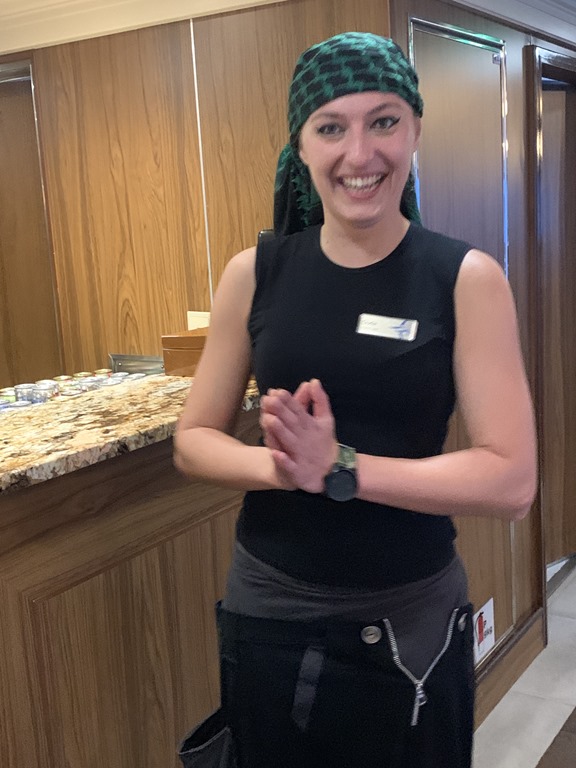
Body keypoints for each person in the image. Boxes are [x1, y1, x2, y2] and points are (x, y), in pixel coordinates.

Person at [173, 31, 537, 768]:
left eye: (384, 121)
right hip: (270, 611)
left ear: (415, 131)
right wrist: (286, 469)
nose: (359, 153)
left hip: (410, 622)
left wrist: (340, 467)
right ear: (301, 145)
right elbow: (192, 441)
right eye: (331, 127)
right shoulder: (254, 272)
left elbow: (511, 482)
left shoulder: (465, 278)